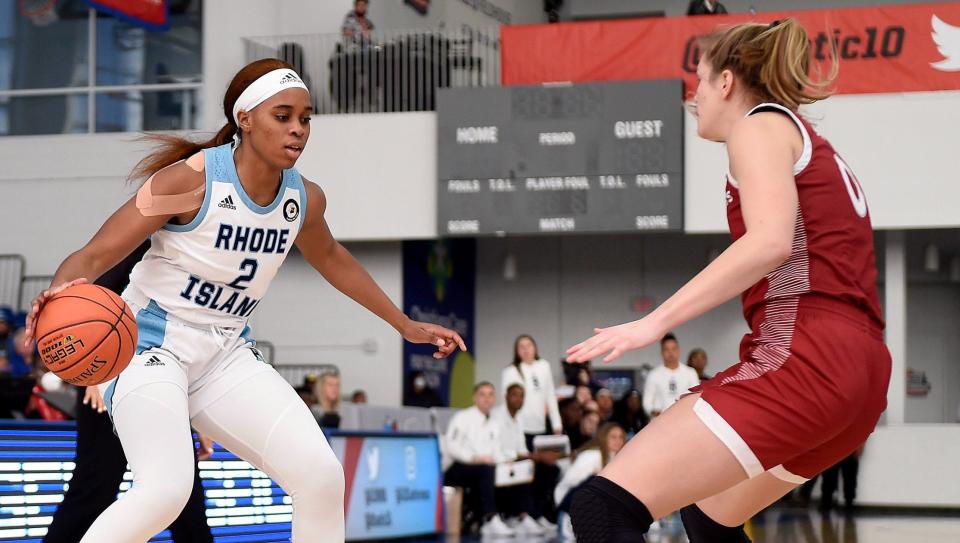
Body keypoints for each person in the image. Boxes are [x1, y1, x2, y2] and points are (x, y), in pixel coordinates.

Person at [23, 58, 465, 543]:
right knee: (166, 490)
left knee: (320, 477)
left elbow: (333, 258)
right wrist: (57, 294)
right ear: (245, 119)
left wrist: (404, 325)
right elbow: (96, 253)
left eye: (306, 118)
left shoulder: (304, 200)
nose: (298, 129)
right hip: (149, 347)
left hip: (225, 352)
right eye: (284, 116)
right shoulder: (188, 181)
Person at [565, 19, 890, 542]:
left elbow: (770, 242)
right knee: (709, 518)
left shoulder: (757, 127)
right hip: (862, 372)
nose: (693, 94)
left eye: (699, 77)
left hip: (806, 356)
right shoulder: (804, 138)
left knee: (602, 508)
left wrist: (654, 322)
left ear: (727, 82)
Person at [44, 241, 213, 543]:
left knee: (186, 500)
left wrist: (197, 410)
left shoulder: (203, 263)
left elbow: (187, 342)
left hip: (164, 387)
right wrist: (95, 378)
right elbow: (88, 313)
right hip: (110, 383)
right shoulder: (141, 246)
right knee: (94, 491)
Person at [444, 382, 514, 537]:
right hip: (458, 467)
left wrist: (506, 460)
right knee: (486, 470)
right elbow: (452, 446)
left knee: (506, 470)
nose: (487, 399)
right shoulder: (463, 417)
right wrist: (473, 458)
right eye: (482, 394)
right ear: (475, 398)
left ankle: (511, 517)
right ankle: (490, 518)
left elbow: (496, 451)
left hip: (481, 469)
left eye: (490, 395)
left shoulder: (494, 423)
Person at [492, 383, 557, 535]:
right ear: (507, 396)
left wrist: (531, 457)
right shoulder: (496, 415)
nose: (519, 399)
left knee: (550, 469)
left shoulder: (519, 417)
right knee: (525, 468)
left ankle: (537, 514)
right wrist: (527, 457)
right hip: (500, 460)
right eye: (515, 395)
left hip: (516, 459)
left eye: (522, 396)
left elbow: (521, 447)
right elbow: (497, 447)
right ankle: (522, 516)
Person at [554, 423, 627, 541]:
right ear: (604, 437)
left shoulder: (617, 458)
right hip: (570, 503)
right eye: (613, 437)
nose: (618, 441)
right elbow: (570, 482)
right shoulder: (592, 455)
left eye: (620, 437)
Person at [501, 334, 563, 448]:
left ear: (535, 347)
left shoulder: (544, 366)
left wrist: (557, 424)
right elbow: (506, 402)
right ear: (516, 351)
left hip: (541, 425)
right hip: (520, 427)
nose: (526, 349)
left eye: (528, 345)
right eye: (521, 347)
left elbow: (550, 396)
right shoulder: (510, 371)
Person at [642, 334, 700, 419]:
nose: (670, 352)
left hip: (684, 420)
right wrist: (652, 410)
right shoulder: (653, 374)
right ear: (661, 352)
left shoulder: (690, 373)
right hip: (659, 422)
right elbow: (647, 401)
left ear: (679, 351)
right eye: (666, 349)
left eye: (674, 349)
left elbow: (696, 398)